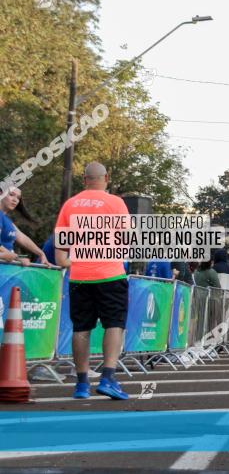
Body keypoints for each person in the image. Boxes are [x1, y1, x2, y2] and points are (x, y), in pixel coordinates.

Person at [54, 162, 131, 400]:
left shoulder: (70, 204)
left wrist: (78, 261)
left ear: (84, 179)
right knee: (114, 324)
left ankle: (81, 384)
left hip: (79, 276)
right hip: (110, 274)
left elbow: (60, 255)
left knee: (81, 328)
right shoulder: (116, 203)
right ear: (106, 177)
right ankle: (108, 377)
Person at [1, 187, 49, 266]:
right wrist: (17, 258)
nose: (15, 200)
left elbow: (22, 238)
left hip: (6, 270)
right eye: (11, 195)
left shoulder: (6, 220)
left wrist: (41, 253)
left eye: (18, 198)